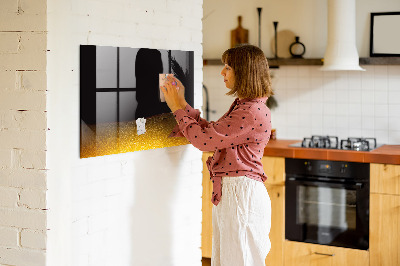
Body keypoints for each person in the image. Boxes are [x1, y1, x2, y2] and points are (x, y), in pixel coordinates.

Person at [161, 44, 273, 266]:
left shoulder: (250, 111)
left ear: (244, 72)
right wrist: (182, 103)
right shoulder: (246, 106)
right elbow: (212, 133)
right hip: (236, 193)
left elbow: (204, 141)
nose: (222, 72)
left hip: (241, 195)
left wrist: (176, 108)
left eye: (228, 67)